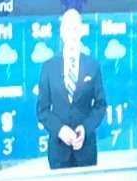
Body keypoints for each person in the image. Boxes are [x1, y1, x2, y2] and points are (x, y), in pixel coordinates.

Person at [36, 9, 106, 169]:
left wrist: (85, 129)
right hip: (58, 152)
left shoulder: (92, 66)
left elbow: (101, 105)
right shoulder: (48, 67)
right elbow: (42, 110)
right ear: (62, 33)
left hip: (86, 150)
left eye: (75, 28)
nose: (72, 33)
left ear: (81, 31)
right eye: (68, 28)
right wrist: (60, 130)